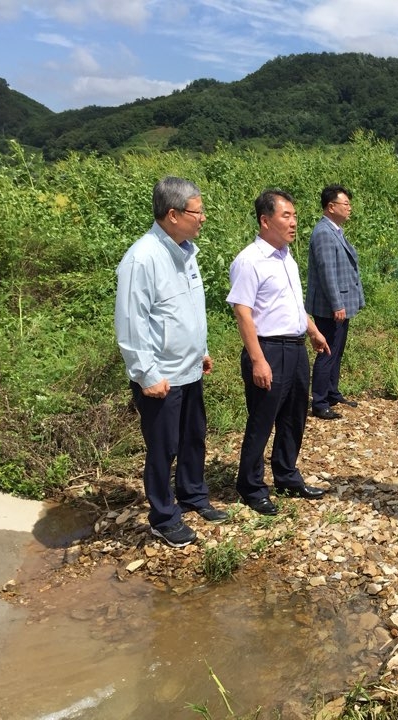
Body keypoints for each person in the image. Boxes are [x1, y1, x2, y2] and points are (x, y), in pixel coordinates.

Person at [114, 176, 228, 548]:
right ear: (174, 214)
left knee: (193, 437)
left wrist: (202, 349)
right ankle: (164, 516)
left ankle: (194, 496)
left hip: (188, 367)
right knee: (163, 448)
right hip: (160, 375)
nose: (204, 218)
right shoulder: (142, 258)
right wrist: (147, 374)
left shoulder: (185, 251)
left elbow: (187, 310)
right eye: (199, 211)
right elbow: (131, 324)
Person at [227, 189, 331, 516]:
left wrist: (312, 330)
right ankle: (251, 486)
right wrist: (257, 359)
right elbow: (243, 313)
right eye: (286, 216)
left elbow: (293, 304)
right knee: (262, 420)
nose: (294, 222)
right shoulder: (249, 261)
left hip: (296, 347)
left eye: (295, 216)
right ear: (265, 220)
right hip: (268, 349)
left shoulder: (287, 256)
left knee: (294, 416)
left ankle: (286, 476)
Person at [305, 184, 365, 420]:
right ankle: (319, 402)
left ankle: (331, 392)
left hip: (340, 304)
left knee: (337, 350)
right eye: (345, 204)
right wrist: (336, 304)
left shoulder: (335, 230)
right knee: (327, 351)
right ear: (331, 207)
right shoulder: (323, 233)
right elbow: (327, 271)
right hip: (331, 306)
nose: (349, 208)